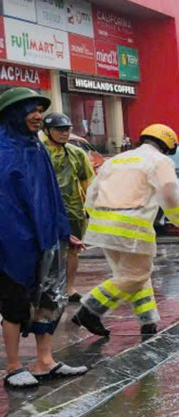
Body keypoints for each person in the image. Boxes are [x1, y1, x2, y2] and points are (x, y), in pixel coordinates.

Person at [0, 88, 89, 387]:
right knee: (14, 303)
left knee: (50, 299)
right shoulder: (3, 151)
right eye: (30, 110)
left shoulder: (36, 149)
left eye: (40, 109)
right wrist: (19, 241)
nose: (38, 116)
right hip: (13, 243)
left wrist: (65, 233)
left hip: (48, 239)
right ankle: (13, 367)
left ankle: (44, 361)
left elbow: (52, 196)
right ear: (13, 114)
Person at [72, 124, 179, 338]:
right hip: (132, 226)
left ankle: (148, 322)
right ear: (166, 146)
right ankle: (89, 310)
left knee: (132, 274)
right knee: (136, 275)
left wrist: (93, 215)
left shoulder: (117, 160)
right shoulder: (160, 161)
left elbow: (93, 190)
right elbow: (169, 191)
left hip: (103, 224)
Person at [40, 112, 95, 302]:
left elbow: (89, 183)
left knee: (73, 251)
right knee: (46, 250)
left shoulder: (76, 153)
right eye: (59, 129)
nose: (64, 133)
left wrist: (94, 208)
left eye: (67, 129)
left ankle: (69, 288)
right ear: (47, 131)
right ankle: (44, 288)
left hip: (73, 210)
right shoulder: (38, 151)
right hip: (45, 210)